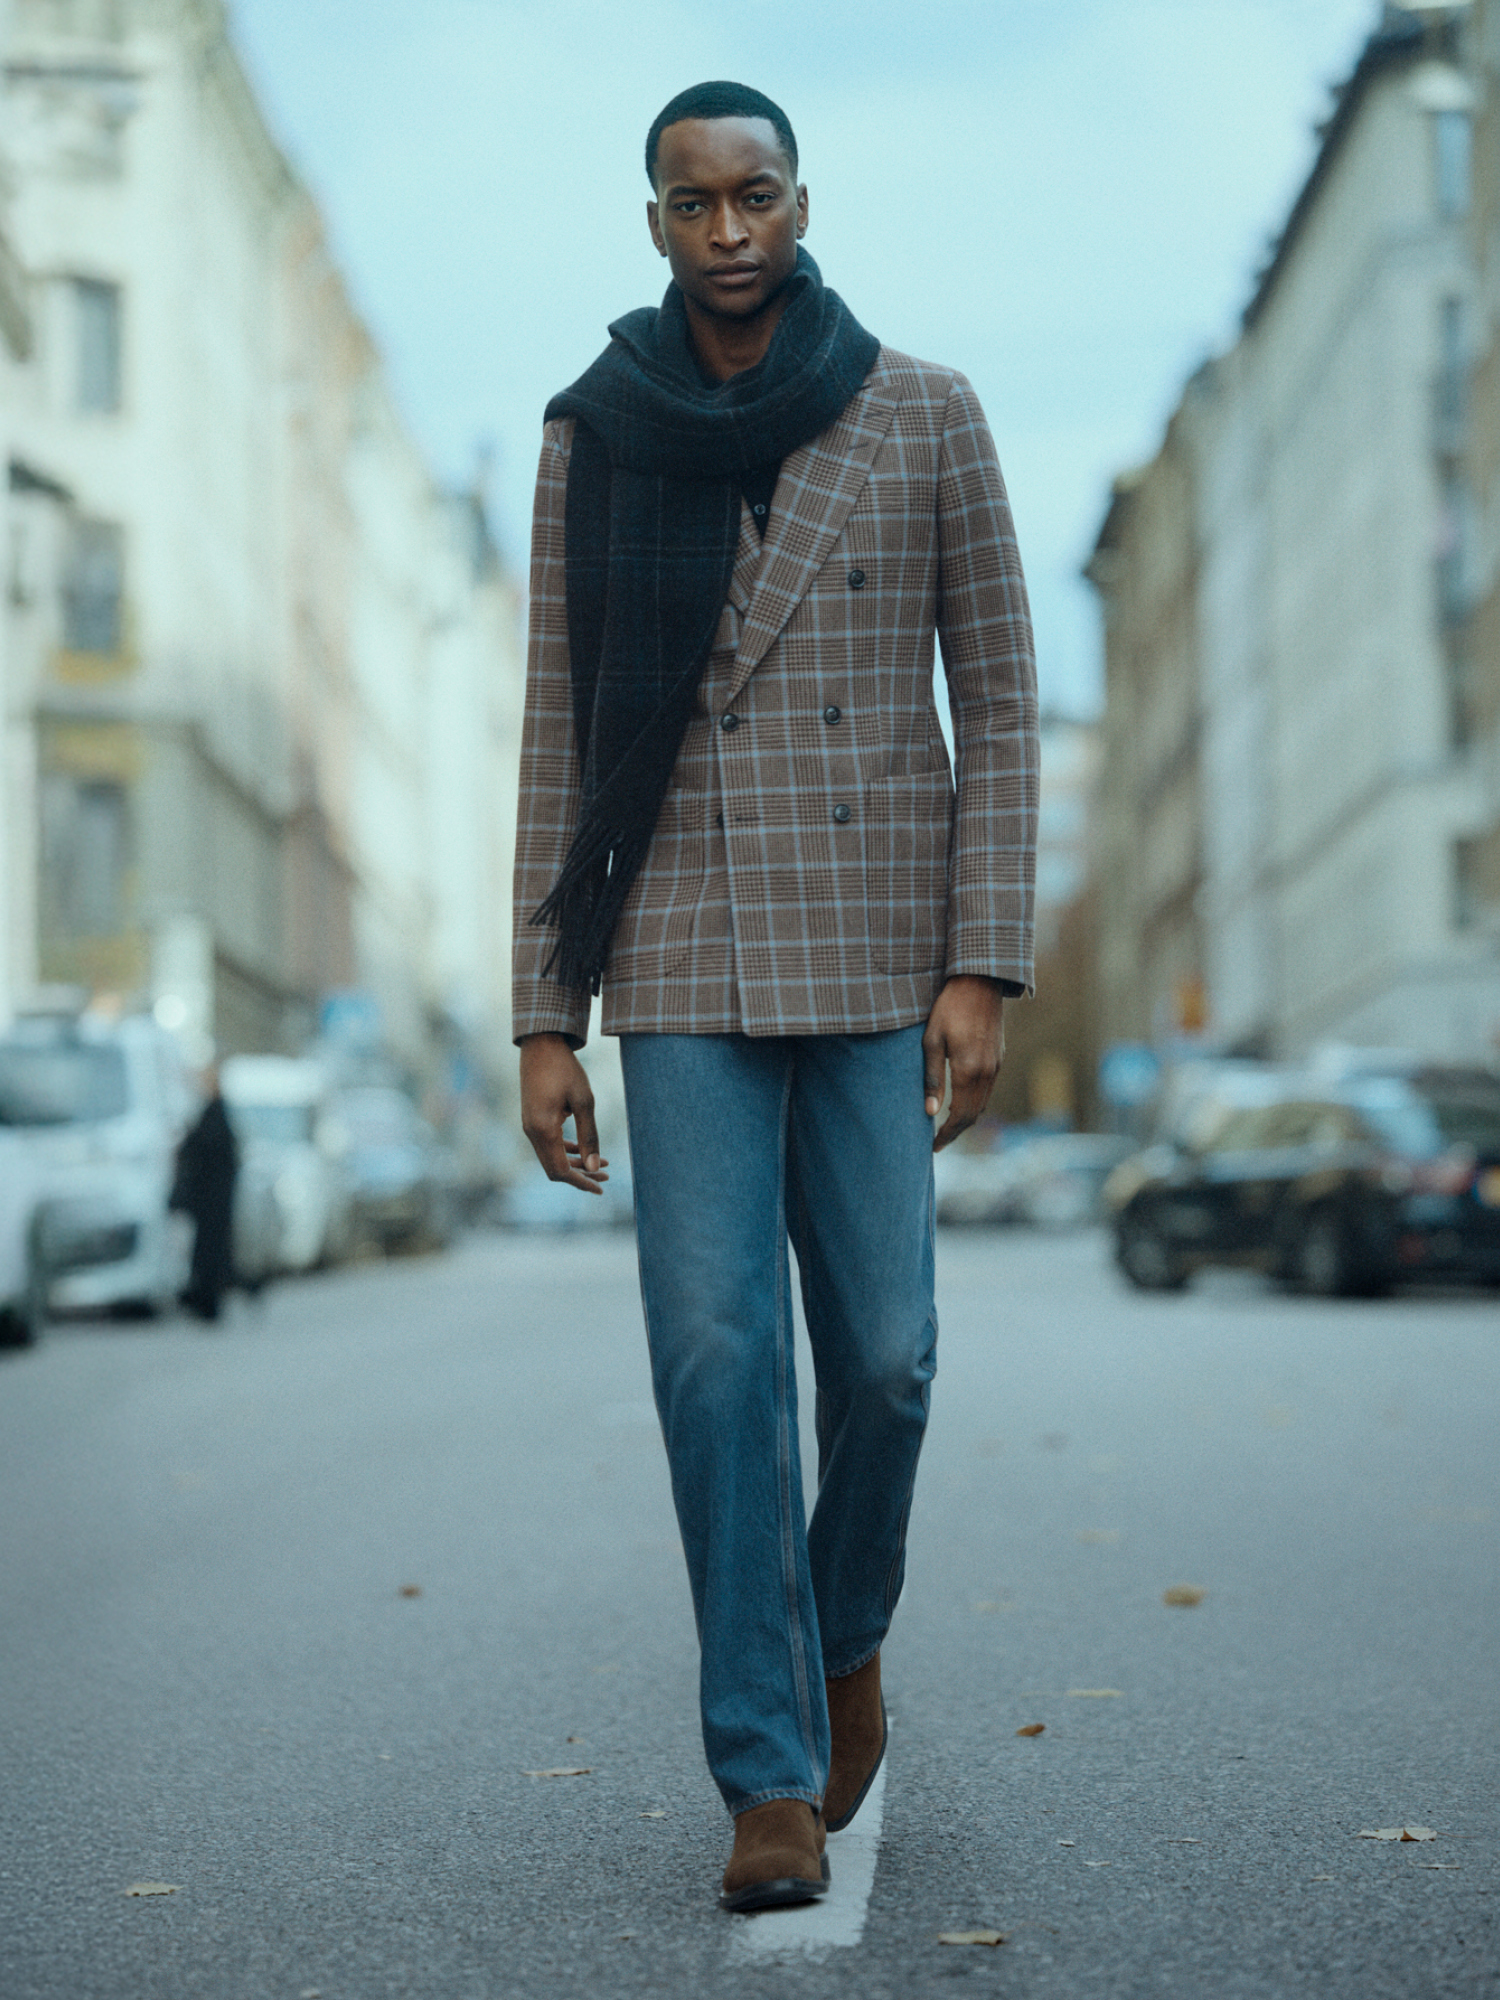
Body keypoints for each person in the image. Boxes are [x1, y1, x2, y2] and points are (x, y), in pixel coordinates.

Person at [513, 80, 1037, 1913]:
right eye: (691, 204)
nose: (727, 233)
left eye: (756, 197)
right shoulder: (596, 433)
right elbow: (558, 739)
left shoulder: (927, 413)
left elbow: (1004, 707)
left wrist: (983, 964)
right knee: (719, 1361)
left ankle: (845, 1638)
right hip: (673, 945)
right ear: (650, 220)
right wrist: (541, 1013)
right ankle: (766, 1770)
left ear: (801, 203)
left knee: (886, 1355)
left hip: (884, 946)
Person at [170, 1065, 240, 1322]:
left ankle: (208, 1301)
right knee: (208, 1250)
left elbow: (210, 1152)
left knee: (210, 1251)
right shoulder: (214, 1112)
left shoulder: (216, 1114)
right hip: (212, 1199)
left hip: (214, 1199)